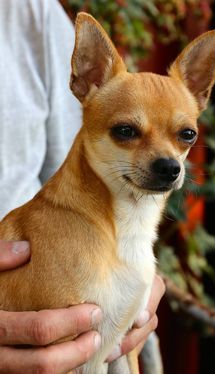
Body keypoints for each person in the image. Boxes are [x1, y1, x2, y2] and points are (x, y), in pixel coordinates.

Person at [0, 0, 165, 372]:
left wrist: (132, 276)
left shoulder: (30, 14)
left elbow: (81, 173)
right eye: (128, 132)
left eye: (186, 136)